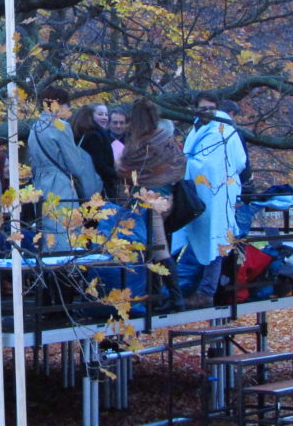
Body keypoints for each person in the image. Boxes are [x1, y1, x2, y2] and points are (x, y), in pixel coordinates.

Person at [172, 97, 248, 303]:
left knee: (215, 239)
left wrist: (209, 170)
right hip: (194, 194)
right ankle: (183, 290)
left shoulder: (226, 131)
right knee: (193, 239)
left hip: (218, 196)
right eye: (202, 108)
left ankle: (206, 292)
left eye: (210, 108)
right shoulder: (196, 130)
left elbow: (239, 162)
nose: (206, 112)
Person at [117, 99, 188, 314]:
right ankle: (156, 296)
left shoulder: (139, 141)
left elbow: (125, 168)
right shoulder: (165, 138)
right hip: (166, 197)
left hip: (147, 199)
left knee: (158, 248)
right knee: (152, 246)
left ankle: (176, 298)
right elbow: (179, 164)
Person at [25, 86, 104, 250]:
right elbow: (75, 165)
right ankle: (65, 264)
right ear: (59, 104)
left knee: (46, 229)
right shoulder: (61, 127)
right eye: (67, 105)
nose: (69, 109)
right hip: (60, 184)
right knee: (65, 229)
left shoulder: (34, 128)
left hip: (39, 183)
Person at [70, 105, 120, 201]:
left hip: (82, 186)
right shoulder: (95, 136)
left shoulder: (78, 134)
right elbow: (100, 165)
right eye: (100, 114)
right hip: (99, 186)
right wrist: (116, 174)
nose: (104, 117)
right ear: (90, 116)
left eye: (106, 114)